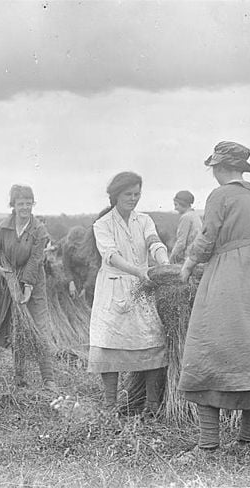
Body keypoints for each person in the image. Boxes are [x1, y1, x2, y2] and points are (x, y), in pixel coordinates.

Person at [178, 141, 250, 455]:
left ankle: (207, 447)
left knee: (208, 350)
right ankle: (247, 442)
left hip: (225, 277)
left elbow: (208, 237)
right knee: (249, 355)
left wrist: (188, 265)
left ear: (219, 168)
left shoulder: (220, 195)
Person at [88, 171, 170, 412]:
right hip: (113, 288)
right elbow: (111, 256)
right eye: (128, 194)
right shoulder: (102, 225)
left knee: (152, 342)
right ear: (115, 195)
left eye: (137, 194)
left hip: (142, 288)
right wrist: (137, 270)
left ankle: (152, 405)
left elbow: (154, 242)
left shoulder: (143, 220)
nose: (133, 199)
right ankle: (110, 406)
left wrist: (163, 262)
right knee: (109, 344)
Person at [0, 184, 56, 389]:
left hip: (34, 283)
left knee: (40, 329)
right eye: (20, 204)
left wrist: (27, 287)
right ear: (13, 205)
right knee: (17, 327)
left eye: (28, 203)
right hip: (10, 282)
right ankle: (19, 377)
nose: (25, 208)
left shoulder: (39, 230)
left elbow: (35, 260)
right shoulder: (5, 226)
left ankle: (48, 379)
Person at [61, 226, 99, 306]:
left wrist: (86, 287)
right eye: (74, 244)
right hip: (75, 275)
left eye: (78, 244)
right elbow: (66, 266)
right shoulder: (66, 247)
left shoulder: (91, 247)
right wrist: (70, 282)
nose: (76, 247)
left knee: (90, 301)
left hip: (89, 277)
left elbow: (93, 269)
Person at [169, 190, 202, 264]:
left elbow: (181, 243)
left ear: (183, 204)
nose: (175, 208)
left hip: (188, 258)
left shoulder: (186, 217)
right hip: (196, 256)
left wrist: (171, 258)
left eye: (176, 205)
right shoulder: (195, 215)